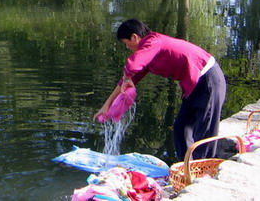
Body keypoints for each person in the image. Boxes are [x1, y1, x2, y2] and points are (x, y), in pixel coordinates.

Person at [93, 19, 226, 161]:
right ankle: (186, 166)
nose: (128, 47)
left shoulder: (153, 42)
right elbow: (126, 81)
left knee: (205, 129)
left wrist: (127, 76)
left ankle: (203, 172)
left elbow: (132, 66)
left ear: (134, 37)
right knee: (181, 127)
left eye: (126, 43)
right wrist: (107, 105)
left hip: (208, 79)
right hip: (193, 83)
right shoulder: (149, 53)